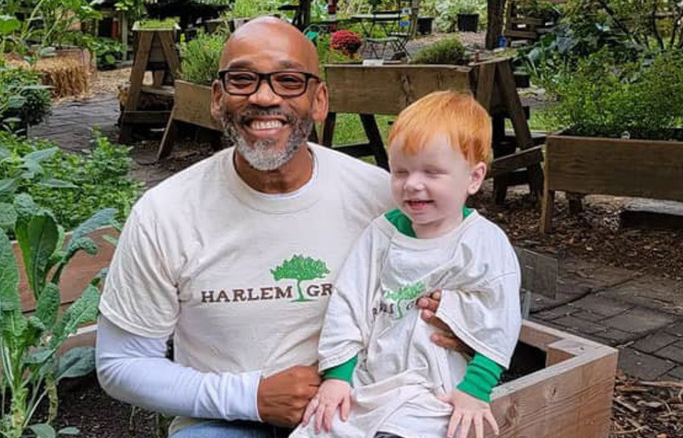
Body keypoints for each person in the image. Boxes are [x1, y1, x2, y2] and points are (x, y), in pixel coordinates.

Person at [95, 17, 464, 438]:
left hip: (367, 408)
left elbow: (465, 276)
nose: (264, 96)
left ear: (320, 100)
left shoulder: (382, 200)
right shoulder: (166, 214)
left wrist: (463, 325)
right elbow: (120, 363)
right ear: (217, 99)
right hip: (224, 421)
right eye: (242, 79)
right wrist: (250, 396)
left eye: (289, 80)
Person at [292, 92, 522, 438]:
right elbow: (349, 302)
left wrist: (476, 388)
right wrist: (338, 374)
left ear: (473, 178)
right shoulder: (381, 235)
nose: (413, 184)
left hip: (436, 384)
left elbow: (499, 318)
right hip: (372, 375)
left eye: (432, 172)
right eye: (400, 171)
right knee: (322, 426)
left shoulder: (482, 244)